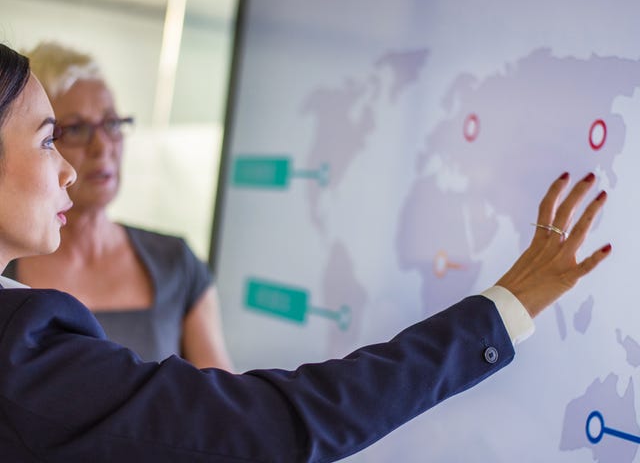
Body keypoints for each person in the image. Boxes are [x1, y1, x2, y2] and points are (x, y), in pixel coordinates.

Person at [0, 42, 611, 462]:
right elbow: (258, 425)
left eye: (111, 126)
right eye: (53, 138)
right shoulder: (21, 344)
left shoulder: (164, 266)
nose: (73, 169)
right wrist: (501, 310)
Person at [0, 41, 233, 370]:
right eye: (75, 129)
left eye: (111, 124)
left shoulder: (175, 262)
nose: (103, 146)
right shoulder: (7, 264)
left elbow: (220, 399)